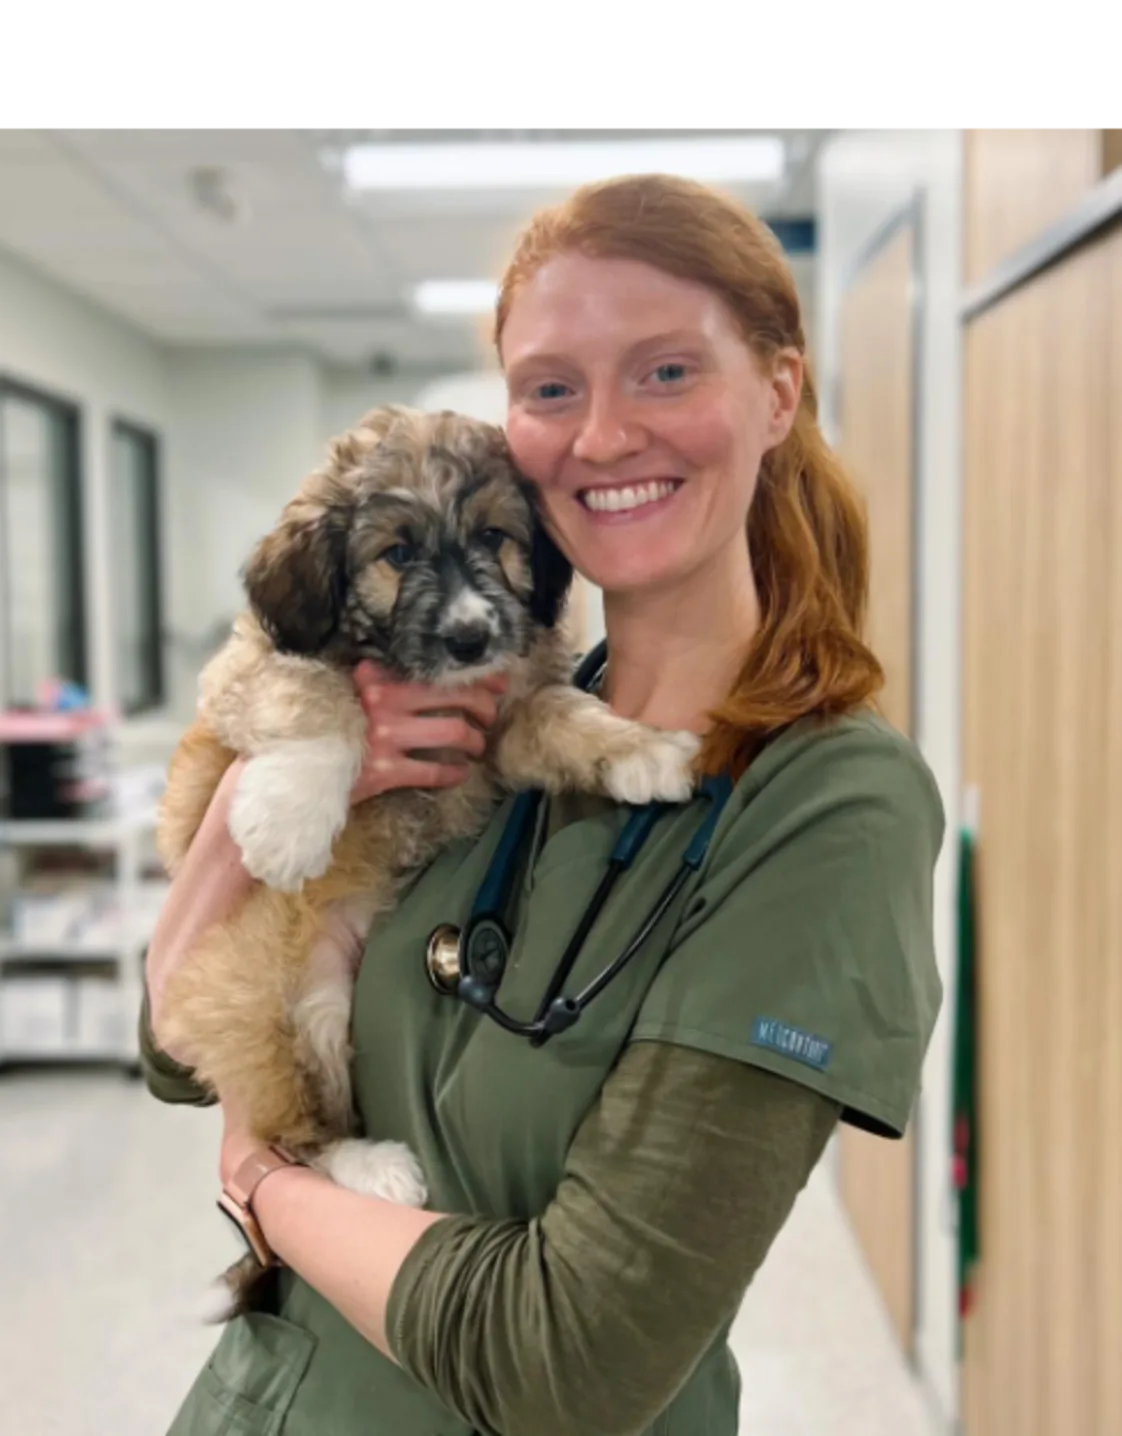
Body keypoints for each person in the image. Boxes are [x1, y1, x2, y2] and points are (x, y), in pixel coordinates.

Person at [141, 172, 943, 1436]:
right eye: (552, 387)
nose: (605, 435)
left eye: (667, 371)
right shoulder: (486, 714)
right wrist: (265, 783)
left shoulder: (829, 802)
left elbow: (571, 1365)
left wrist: (266, 1186)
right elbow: (177, 1041)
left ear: (778, 390)